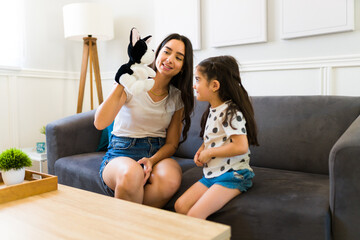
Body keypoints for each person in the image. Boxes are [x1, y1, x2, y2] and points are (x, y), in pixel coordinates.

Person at [94, 33, 194, 208]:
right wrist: (123, 79)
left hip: (157, 153)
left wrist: (152, 160)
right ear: (156, 53)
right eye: (167, 52)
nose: (170, 60)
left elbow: (171, 144)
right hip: (121, 152)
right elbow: (100, 123)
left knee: (169, 180)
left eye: (178, 57)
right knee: (131, 174)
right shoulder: (132, 83)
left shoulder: (178, 97)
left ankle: (134, 226)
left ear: (183, 67)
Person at [174, 55, 259, 219]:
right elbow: (212, 139)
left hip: (233, 176)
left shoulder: (231, 112)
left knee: (194, 215)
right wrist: (201, 151)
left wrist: (210, 153)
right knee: (180, 205)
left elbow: (240, 146)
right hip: (212, 175)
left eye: (198, 80)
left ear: (214, 85)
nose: (194, 85)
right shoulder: (213, 110)